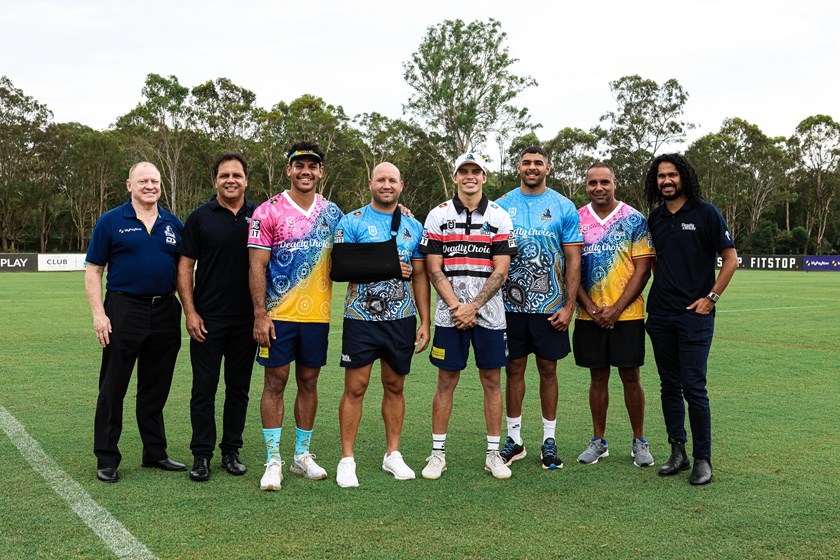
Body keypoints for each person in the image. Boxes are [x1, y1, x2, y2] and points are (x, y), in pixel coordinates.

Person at [248, 142, 343, 491]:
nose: (306, 171)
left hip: (317, 317)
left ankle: (301, 455)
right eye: (299, 165)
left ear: (321, 172)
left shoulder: (333, 213)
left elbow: (360, 238)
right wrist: (260, 314)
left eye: (312, 166)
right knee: (275, 382)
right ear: (289, 170)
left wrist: (401, 212)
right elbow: (256, 266)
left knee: (309, 381)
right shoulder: (267, 211)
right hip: (278, 316)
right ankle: (273, 460)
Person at [85, 161, 186, 483]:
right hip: (123, 309)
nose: (150, 186)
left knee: (155, 388)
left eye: (154, 181)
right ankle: (107, 456)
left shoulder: (173, 223)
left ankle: (154, 453)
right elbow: (93, 270)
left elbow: (185, 270)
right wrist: (99, 314)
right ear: (129, 185)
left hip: (166, 310)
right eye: (143, 181)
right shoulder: (111, 221)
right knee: (113, 386)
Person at [419, 152, 518, 480]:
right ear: (456, 176)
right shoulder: (437, 215)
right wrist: (457, 308)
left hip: (489, 314)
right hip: (450, 314)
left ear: (484, 178)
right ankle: (437, 455)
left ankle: (493, 455)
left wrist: (472, 307)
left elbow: (501, 270)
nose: (470, 176)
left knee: (492, 381)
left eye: (476, 171)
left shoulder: (500, 216)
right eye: (464, 171)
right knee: (446, 380)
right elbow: (434, 268)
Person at [334, 162, 431, 488]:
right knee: (355, 388)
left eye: (392, 180)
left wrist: (425, 320)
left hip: (401, 320)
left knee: (395, 387)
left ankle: (393, 454)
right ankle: (347, 459)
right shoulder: (352, 221)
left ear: (401, 185)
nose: (386, 185)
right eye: (381, 180)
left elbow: (419, 275)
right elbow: (342, 266)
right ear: (370, 183)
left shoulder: (413, 226)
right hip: (360, 320)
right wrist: (388, 265)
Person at [644, 153, 738, 486]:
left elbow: (731, 258)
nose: (666, 181)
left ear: (683, 177)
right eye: (660, 176)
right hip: (659, 315)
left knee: (694, 387)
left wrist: (710, 298)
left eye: (671, 175)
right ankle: (678, 451)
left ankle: (703, 460)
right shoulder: (654, 218)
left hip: (695, 316)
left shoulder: (706, 213)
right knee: (668, 385)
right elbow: (655, 262)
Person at [494, 145, 583, 470]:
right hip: (509, 309)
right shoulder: (502, 206)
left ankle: (549, 440)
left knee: (548, 370)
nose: (532, 167)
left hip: (550, 308)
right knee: (513, 369)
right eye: (526, 163)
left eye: (538, 163)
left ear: (548, 167)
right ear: (518, 167)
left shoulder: (563, 206)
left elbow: (574, 259)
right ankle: (514, 440)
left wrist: (569, 305)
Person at [176, 153, 257, 482]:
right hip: (208, 320)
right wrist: (190, 311)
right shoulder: (199, 217)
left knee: (239, 389)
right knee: (204, 389)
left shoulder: (260, 215)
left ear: (246, 180)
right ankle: (202, 455)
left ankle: (231, 451)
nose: (231, 180)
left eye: (237, 175)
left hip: (248, 321)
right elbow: (183, 267)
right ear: (215, 181)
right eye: (224, 175)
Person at [574, 162, 656, 467]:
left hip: (628, 314)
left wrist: (616, 308)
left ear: (614, 183)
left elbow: (643, 269)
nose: (598, 188)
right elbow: (570, 268)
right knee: (598, 376)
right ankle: (598, 441)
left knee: (631, 375)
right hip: (588, 315)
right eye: (592, 183)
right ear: (586, 186)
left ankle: (639, 441)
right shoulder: (576, 219)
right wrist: (589, 306)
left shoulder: (634, 218)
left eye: (604, 182)